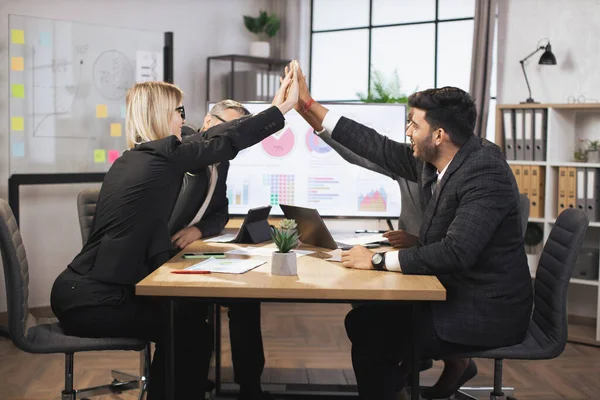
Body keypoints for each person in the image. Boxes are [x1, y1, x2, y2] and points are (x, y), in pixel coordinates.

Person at [50, 67, 298, 400]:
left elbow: (217, 140)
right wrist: (278, 110)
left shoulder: (138, 157)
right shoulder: (162, 157)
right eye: (179, 112)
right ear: (161, 115)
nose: (184, 119)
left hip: (85, 291)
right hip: (92, 300)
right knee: (189, 331)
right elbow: (223, 139)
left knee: (191, 318)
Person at [291, 64, 533, 400]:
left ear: (439, 134)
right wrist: (308, 105)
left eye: (414, 124)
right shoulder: (436, 160)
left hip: (484, 309)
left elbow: (457, 252)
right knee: (364, 321)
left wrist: (376, 259)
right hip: (454, 291)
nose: (407, 131)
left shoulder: (484, 170)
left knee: (370, 331)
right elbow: (374, 145)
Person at [168, 100, 271, 400]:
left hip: (194, 250)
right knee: (191, 309)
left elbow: (220, 213)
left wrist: (197, 230)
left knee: (246, 299)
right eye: (229, 128)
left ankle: (249, 386)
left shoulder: (221, 161)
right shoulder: (184, 150)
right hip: (166, 256)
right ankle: (190, 381)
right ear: (209, 122)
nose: (234, 138)